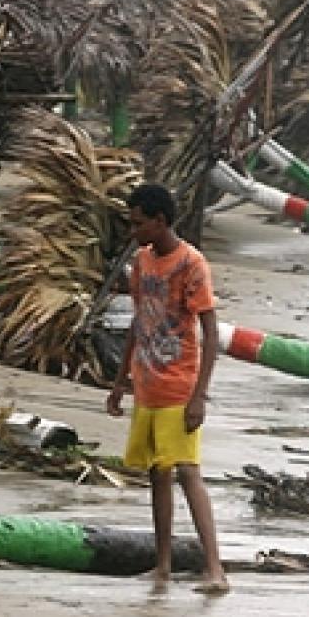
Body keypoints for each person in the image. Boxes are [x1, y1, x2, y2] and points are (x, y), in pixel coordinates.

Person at [106, 183, 229, 595]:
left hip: (179, 386)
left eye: (139, 223)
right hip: (147, 383)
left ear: (160, 221)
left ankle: (215, 570)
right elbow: (139, 323)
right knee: (158, 474)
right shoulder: (142, 263)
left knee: (188, 473)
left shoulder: (192, 264)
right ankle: (163, 566)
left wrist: (199, 396)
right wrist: (120, 382)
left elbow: (210, 334)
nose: (133, 231)